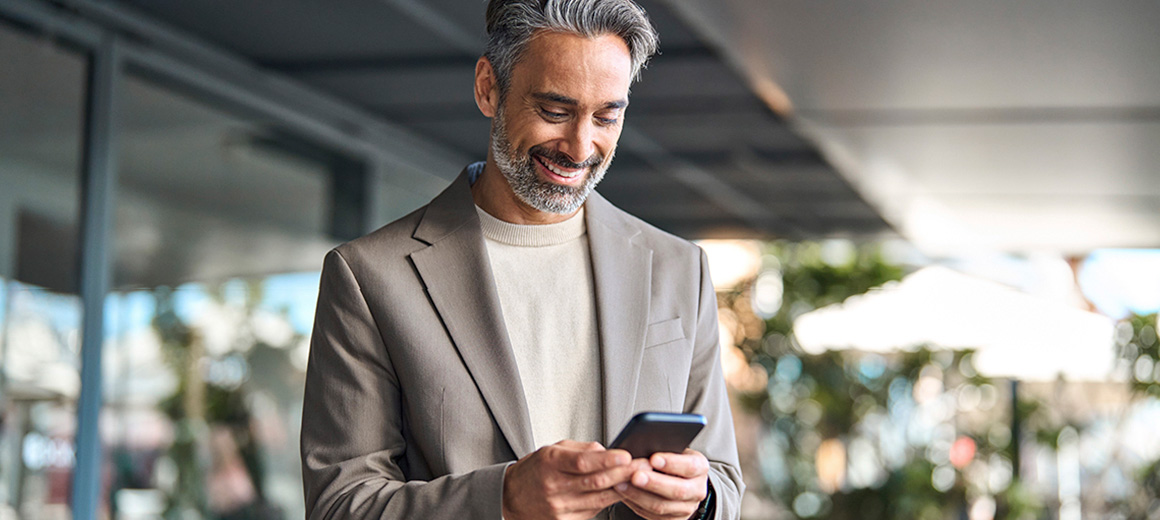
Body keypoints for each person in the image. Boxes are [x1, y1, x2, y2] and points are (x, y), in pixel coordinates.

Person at [300, 1, 743, 518]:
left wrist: (701, 499)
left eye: (607, 116)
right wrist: (505, 499)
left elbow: (724, 480)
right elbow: (340, 504)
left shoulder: (679, 268)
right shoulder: (369, 277)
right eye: (554, 111)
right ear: (489, 87)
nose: (580, 147)